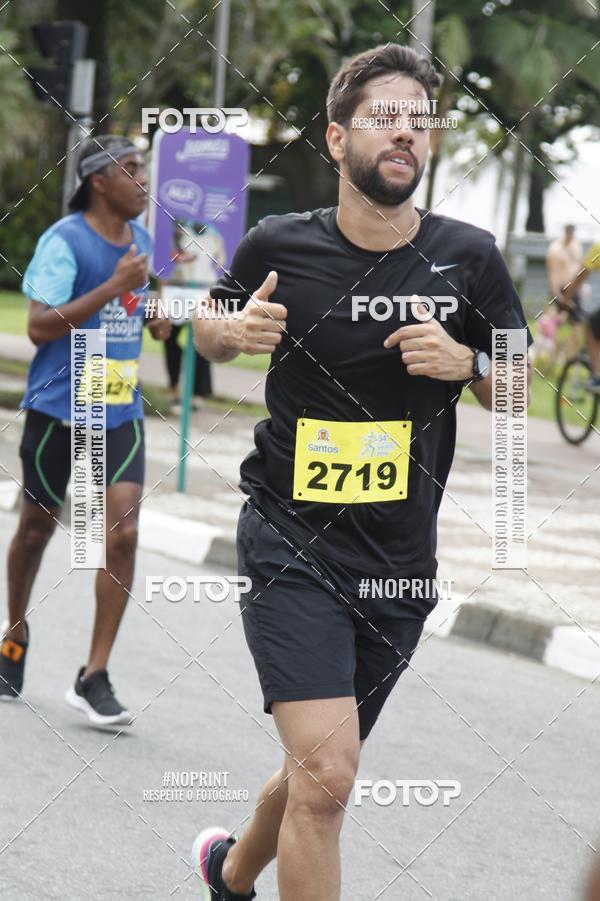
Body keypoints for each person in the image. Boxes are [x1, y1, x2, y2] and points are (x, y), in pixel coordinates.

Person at [192, 44, 533, 901]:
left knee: (317, 772)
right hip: (290, 539)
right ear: (337, 138)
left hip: (397, 561)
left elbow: (521, 381)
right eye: (386, 117)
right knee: (329, 775)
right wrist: (231, 333)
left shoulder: (471, 257)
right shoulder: (279, 244)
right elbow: (206, 324)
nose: (406, 133)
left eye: (420, 121)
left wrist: (468, 363)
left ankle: (229, 871)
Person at [0, 135, 171, 724]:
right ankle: (14, 630)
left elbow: (141, 308)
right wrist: (111, 286)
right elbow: (40, 327)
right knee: (35, 531)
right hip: (58, 408)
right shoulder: (64, 240)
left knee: (122, 532)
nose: (143, 180)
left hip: (117, 410)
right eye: (132, 169)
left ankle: (94, 675)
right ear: (99, 181)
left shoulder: (142, 242)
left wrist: (157, 317)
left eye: (145, 168)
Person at [560, 241, 600, 391]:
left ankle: (598, 378)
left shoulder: (598, 248)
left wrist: (565, 299)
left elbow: (580, 276)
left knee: (590, 327)